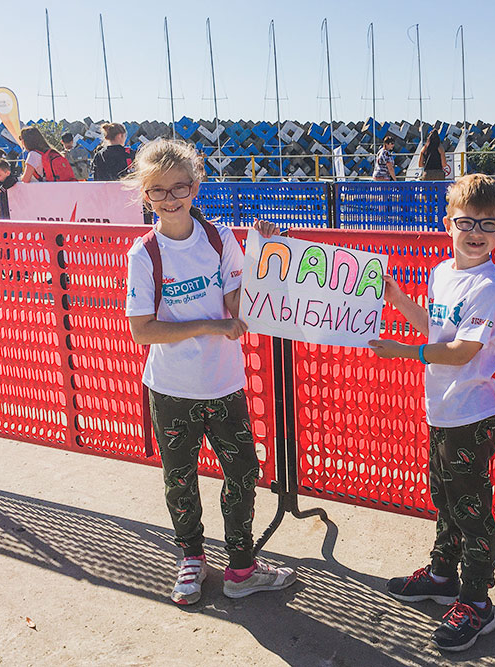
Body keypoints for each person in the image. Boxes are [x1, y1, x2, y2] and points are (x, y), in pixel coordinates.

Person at [123, 138, 295, 606]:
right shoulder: (144, 255)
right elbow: (143, 331)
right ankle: (191, 559)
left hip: (224, 385)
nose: (170, 198)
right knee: (180, 477)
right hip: (171, 389)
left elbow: (239, 303)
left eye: (180, 186)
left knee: (242, 471)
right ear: (145, 195)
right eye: (158, 190)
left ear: (196, 186)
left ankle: (241, 566)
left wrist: (265, 254)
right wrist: (209, 325)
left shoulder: (220, 239)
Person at [368, 173, 495, 652]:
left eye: (487, 224)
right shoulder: (443, 273)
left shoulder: (490, 287)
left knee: (471, 512)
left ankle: (477, 603)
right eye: (466, 222)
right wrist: (397, 298)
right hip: (443, 412)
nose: (475, 232)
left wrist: (403, 353)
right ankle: (443, 574)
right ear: (447, 222)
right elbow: (434, 328)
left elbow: (461, 351)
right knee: (445, 500)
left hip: (471, 417)